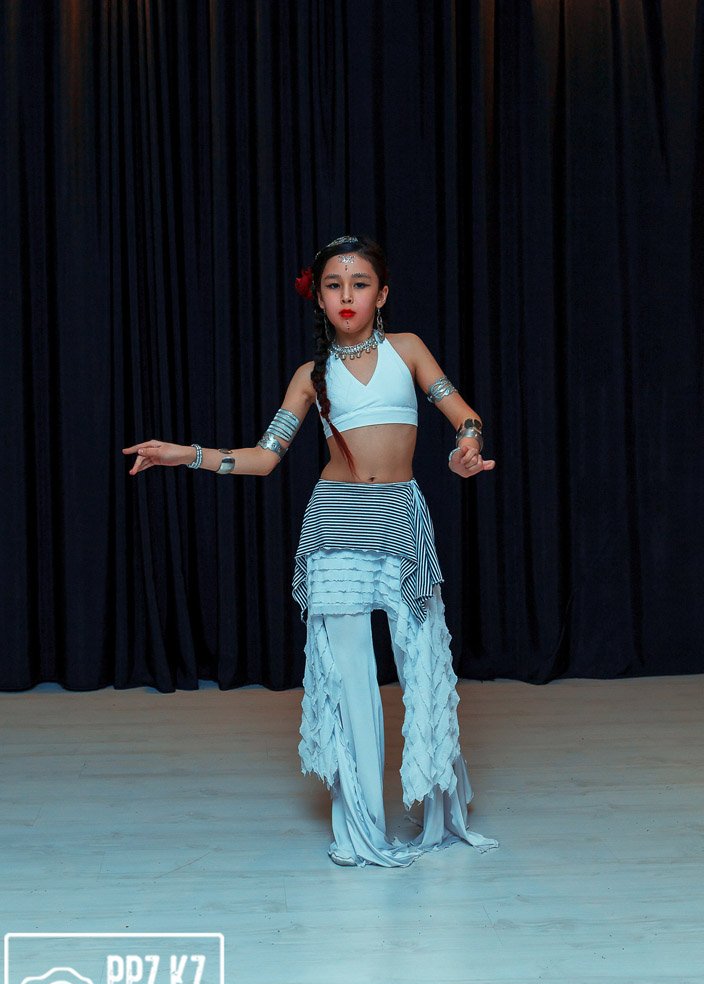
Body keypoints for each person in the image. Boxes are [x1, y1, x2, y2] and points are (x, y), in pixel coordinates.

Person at [123, 233, 499, 868]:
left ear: (382, 294)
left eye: (359, 284)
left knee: (423, 664)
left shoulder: (408, 351)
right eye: (334, 285)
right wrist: (185, 454)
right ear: (319, 298)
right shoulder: (311, 376)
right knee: (352, 683)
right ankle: (363, 831)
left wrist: (467, 445)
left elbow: (463, 414)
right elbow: (264, 457)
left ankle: (436, 811)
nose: (347, 295)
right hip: (335, 529)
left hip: (401, 523)